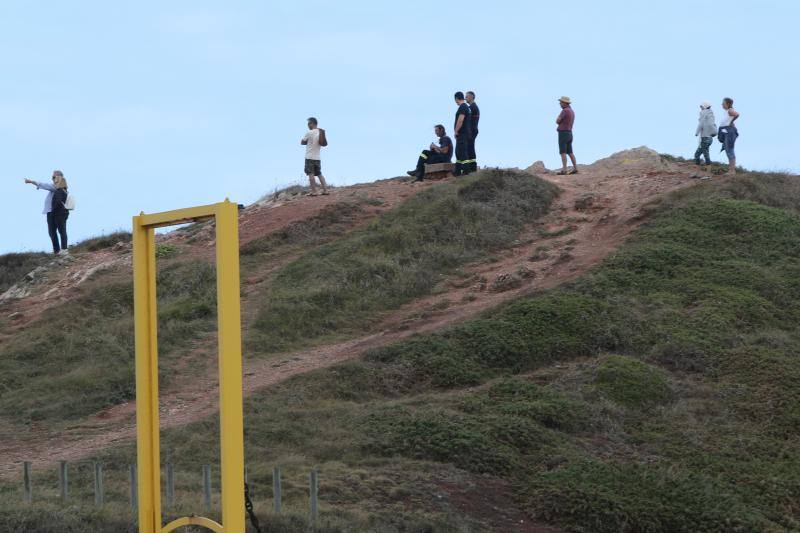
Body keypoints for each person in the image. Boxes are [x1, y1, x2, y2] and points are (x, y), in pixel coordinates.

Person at [24, 170, 70, 255]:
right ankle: (57, 251)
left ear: (59, 177)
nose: (52, 179)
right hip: (50, 212)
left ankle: (64, 249)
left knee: (61, 230)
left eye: (54, 177)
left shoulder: (57, 187)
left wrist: (31, 182)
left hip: (56, 212)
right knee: (52, 232)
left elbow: (44, 185)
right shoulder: (56, 187)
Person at [300, 117, 329, 195]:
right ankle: (326, 190)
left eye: (308, 123)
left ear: (312, 123)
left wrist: (308, 141)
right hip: (317, 157)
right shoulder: (320, 132)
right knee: (319, 174)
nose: (308, 125)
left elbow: (302, 142)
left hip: (309, 157)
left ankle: (314, 192)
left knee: (311, 174)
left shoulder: (309, 132)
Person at [556, 96, 578, 175]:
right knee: (570, 152)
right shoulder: (572, 111)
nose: (560, 104)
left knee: (563, 152)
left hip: (563, 132)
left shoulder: (565, 111)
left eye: (561, 102)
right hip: (569, 133)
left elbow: (557, 121)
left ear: (565, 103)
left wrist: (559, 120)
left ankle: (564, 170)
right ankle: (575, 168)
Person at [718, 97, 740, 174]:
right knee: (728, 150)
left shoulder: (730, 110)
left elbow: (737, 114)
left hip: (729, 132)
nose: (722, 104)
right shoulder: (727, 111)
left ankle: (732, 171)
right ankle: (731, 170)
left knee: (730, 150)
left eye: (723, 103)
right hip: (726, 132)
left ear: (727, 104)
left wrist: (732, 122)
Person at [453, 91, 472, 176]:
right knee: (458, 152)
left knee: (462, 152)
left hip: (462, 133)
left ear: (456, 98)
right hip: (466, 133)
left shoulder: (462, 107)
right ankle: (457, 171)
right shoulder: (467, 107)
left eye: (455, 100)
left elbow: (460, 120)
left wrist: (456, 131)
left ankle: (465, 171)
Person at [694, 102, 717, 166]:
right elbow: (712, 125)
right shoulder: (711, 114)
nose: (700, 108)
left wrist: (697, 132)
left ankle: (706, 174)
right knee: (705, 155)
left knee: (698, 155)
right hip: (710, 138)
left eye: (701, 107)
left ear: (704, 107)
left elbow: (700, 123)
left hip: (705, 138)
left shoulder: (703, 113)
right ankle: (701, 173)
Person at [465, 91, 480, 174]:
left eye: (466, 96)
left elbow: (468, 121)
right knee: (469, 148)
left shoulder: (472, 107)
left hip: (471, 131)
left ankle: (472, 168)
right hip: (472, 131)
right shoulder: (473, 107)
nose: (465, 98)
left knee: (470, 148)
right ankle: (471, 168)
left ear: (471, 97)